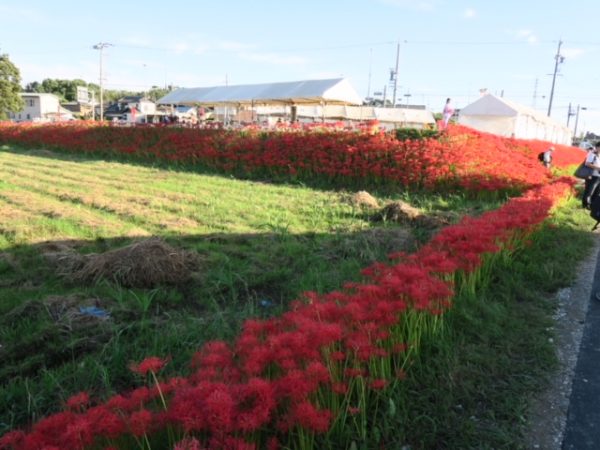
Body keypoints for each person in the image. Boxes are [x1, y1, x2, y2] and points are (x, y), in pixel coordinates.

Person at [582, 143, 600, 209]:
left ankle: (592, 205)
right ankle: (586, 205)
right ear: (597, 147)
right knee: (589, 191)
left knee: (597, 192)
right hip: (592, 176)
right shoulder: (592, 154)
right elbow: (587, 163)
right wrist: (598, 168)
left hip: (598, 176)